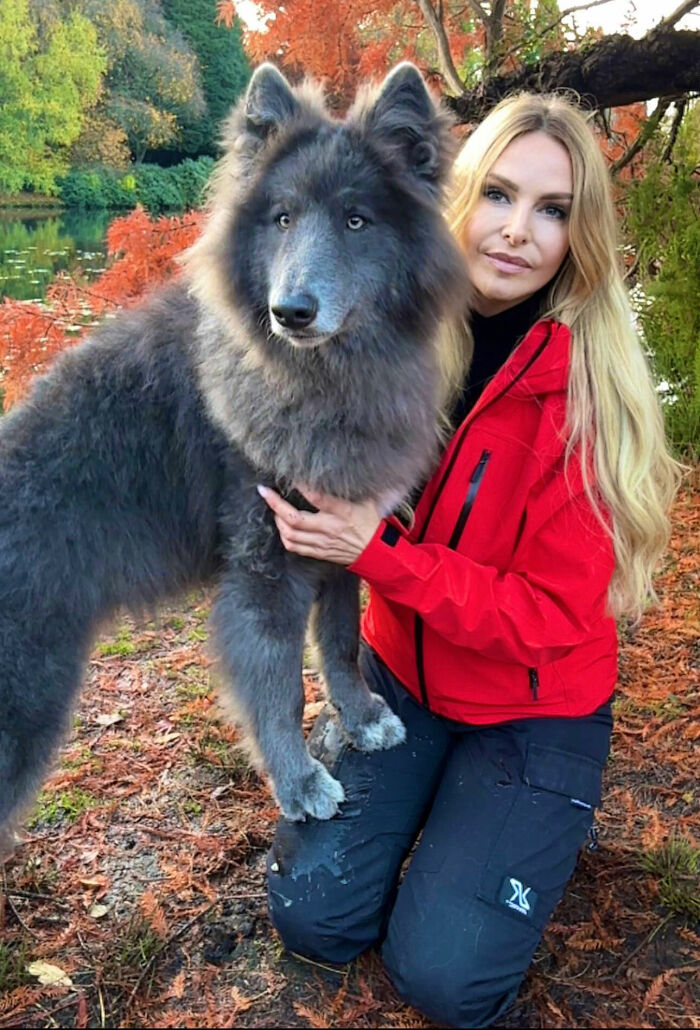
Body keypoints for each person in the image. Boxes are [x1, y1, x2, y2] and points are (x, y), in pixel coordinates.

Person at [257, 92, 679, 1028]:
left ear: (581, 235)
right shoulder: (386, 334)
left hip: (531, 708)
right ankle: (429, 806)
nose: (518, 230)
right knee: (311, 915)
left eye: (553, 209)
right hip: (403, 681)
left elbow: (551, 616)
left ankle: (505, 824)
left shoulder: (591, 395)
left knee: (444, 979)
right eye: (498, 194)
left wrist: (381, 554)